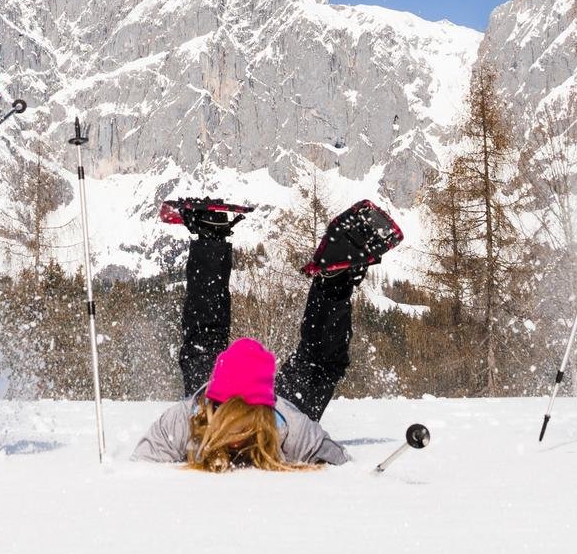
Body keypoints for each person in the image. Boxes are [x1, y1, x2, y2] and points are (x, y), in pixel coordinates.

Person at [131, 198, 402, 470]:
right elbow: (142, 462)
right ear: (215, 412)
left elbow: (337, 460)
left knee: (315, 367)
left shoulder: (290, 426)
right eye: (231, 424)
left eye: (243, 423)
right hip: (220, 388)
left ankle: (331, 282)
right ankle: (212, 235)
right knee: (204, 344)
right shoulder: (185, 422)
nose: (236, 439)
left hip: (263, 400)